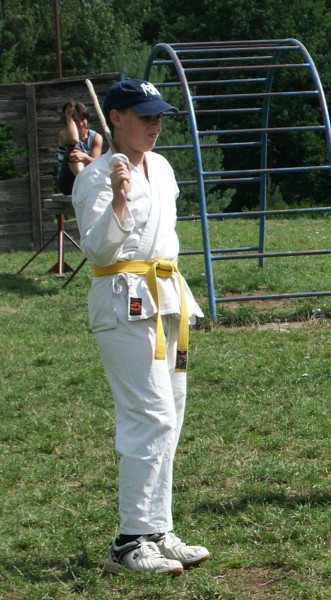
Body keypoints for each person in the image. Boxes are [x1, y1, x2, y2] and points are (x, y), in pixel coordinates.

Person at [72, 79, 209, 574]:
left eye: (158, 117)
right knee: (148, 416)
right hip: (121, 299)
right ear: (116, 118)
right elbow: (97, 249)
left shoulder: (163, 168)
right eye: (144, 116)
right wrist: (119, 200)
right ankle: (129, 541)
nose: (154, 125)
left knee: (171, 413)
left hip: (167, 294)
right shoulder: (97, 177)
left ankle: (158, 529)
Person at [56, 101, 103, 194]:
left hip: (90, 180)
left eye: (82, 120)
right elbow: (75, 139)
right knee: (73, 151)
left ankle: (87, 183)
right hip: (68, 184)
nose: (80, 124)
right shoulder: (64, 134)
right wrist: (68, 118)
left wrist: (85, 157)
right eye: (76, 121)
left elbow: (96, 163)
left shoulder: (96, 137)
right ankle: (85, 182)